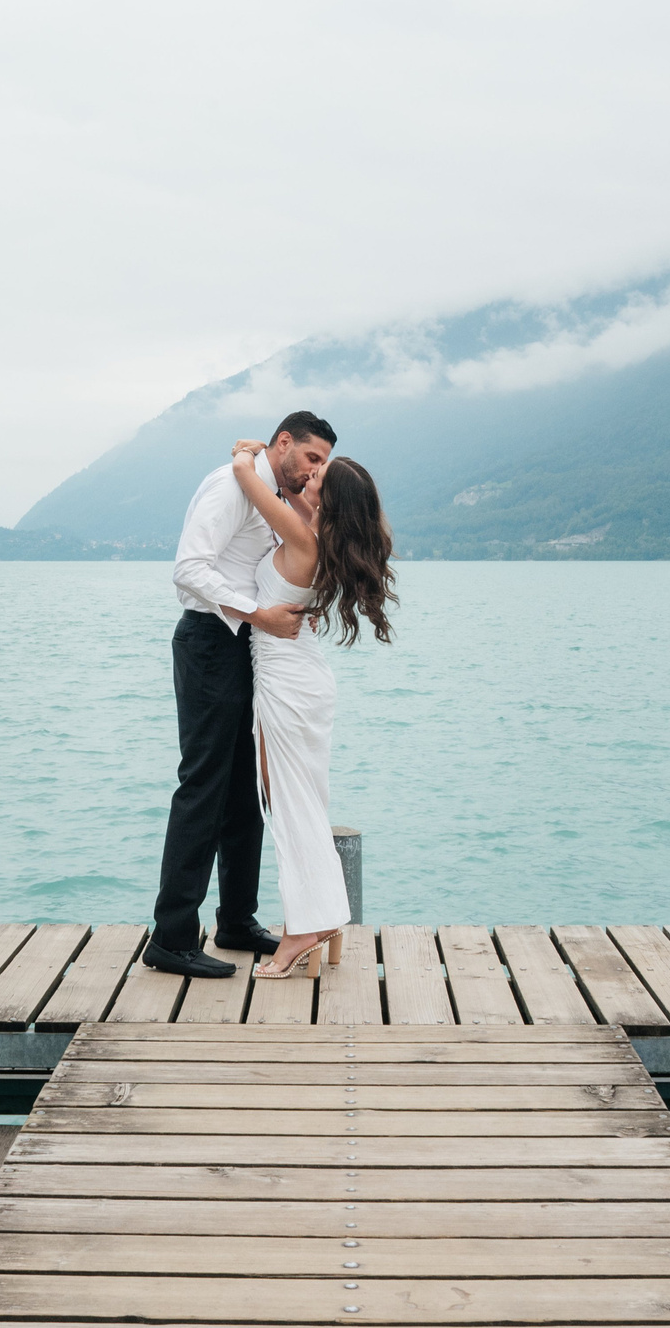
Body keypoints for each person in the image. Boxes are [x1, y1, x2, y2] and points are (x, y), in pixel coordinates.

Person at [144, 411, 338, 978]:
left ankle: (235, 919)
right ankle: (173, 937)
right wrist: (259, 613)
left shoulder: (273, 489)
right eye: (311, 458)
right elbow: (189, 569)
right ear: (284, 443)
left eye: (323, 464)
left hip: (247, 643)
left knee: (242, 791)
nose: (314, 471)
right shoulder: (230, 484)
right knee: (203, 784)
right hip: (210, 639)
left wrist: (273, 616)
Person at [227, 435, 396, 980]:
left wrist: (242, 454)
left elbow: (252, 483)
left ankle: (305, 926)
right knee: (291, 800)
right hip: (296, 678)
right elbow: (288, 494)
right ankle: (318, 915)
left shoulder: (305, 534)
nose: (310, 476)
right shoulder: (319, 530)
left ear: (330, 498)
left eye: (320, 475)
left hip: (289, 681)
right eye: (313, 467)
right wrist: (300, 483)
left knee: (291, 804)